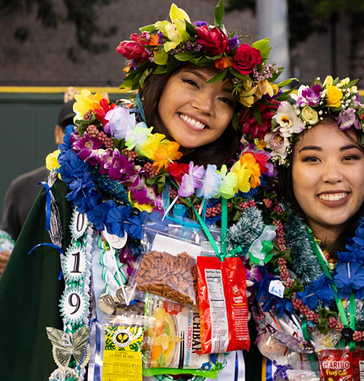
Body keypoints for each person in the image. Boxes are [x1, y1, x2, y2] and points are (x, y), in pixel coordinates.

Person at [0, 3, 285, 380]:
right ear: (158, 83)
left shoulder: (242, 197)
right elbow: (32, 314)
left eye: (225, 99)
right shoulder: (85, 173)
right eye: (192, 82)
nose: (204, 106)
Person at [249, 76, 364, 379]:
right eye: (312, 159)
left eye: (349, 157)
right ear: (287, 171)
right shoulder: (254, 252)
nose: (332, 175)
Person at [0, 95, 76, 275]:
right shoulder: (22, 187)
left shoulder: (107, 190)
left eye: (83, 130)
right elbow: (7, 238)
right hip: (36, 288)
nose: (74, 136)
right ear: (57, 133)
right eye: (69, 128)